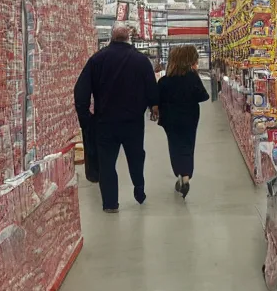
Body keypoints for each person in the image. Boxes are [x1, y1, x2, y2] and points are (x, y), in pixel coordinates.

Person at [74, 22, 159, 214]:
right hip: (133, 122)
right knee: (136, 157)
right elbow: (152, 88)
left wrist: (86, 118)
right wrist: (154, 106)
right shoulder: (141, 61)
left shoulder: (96, 60)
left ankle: (110, 203)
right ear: (128, 38)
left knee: (107, 163)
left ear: (111, 37)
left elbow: (81, 91)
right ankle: (139, 189)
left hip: (105, 122)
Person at [158, 45, 209, 198]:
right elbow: (204, 96)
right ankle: (186, 177)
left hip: (170, 119)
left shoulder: (164, 81)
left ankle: (179, 173)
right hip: (190, 117)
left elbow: (157, 100)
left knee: (174, 145)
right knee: (188, 145)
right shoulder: (192, 77)